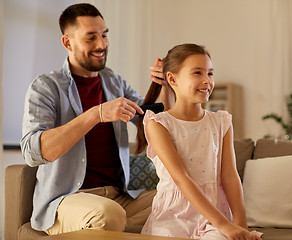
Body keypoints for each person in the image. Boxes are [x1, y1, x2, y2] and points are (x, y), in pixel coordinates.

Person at [20, 3, 171, 235]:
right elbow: (33, 152)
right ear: (67, 42)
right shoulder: (45, 87)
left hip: (121, 198)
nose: (101, 45)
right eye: (91, 38)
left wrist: (165, 87)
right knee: (107, 215)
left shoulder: (114, 82)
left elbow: (153, 122)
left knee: (180, 200)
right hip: (67, 201)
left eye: (104, 35)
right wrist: (96, 114)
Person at [137, 43, 263, 240]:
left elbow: (230, 176)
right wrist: (225, 225)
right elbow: (181, 178)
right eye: (197, 73)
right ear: (172, 79)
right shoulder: (158, 123)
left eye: (210, 73)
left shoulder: (221, 122)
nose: (206, 81)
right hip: (173, 216)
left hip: (214, 215)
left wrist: (240, 226)